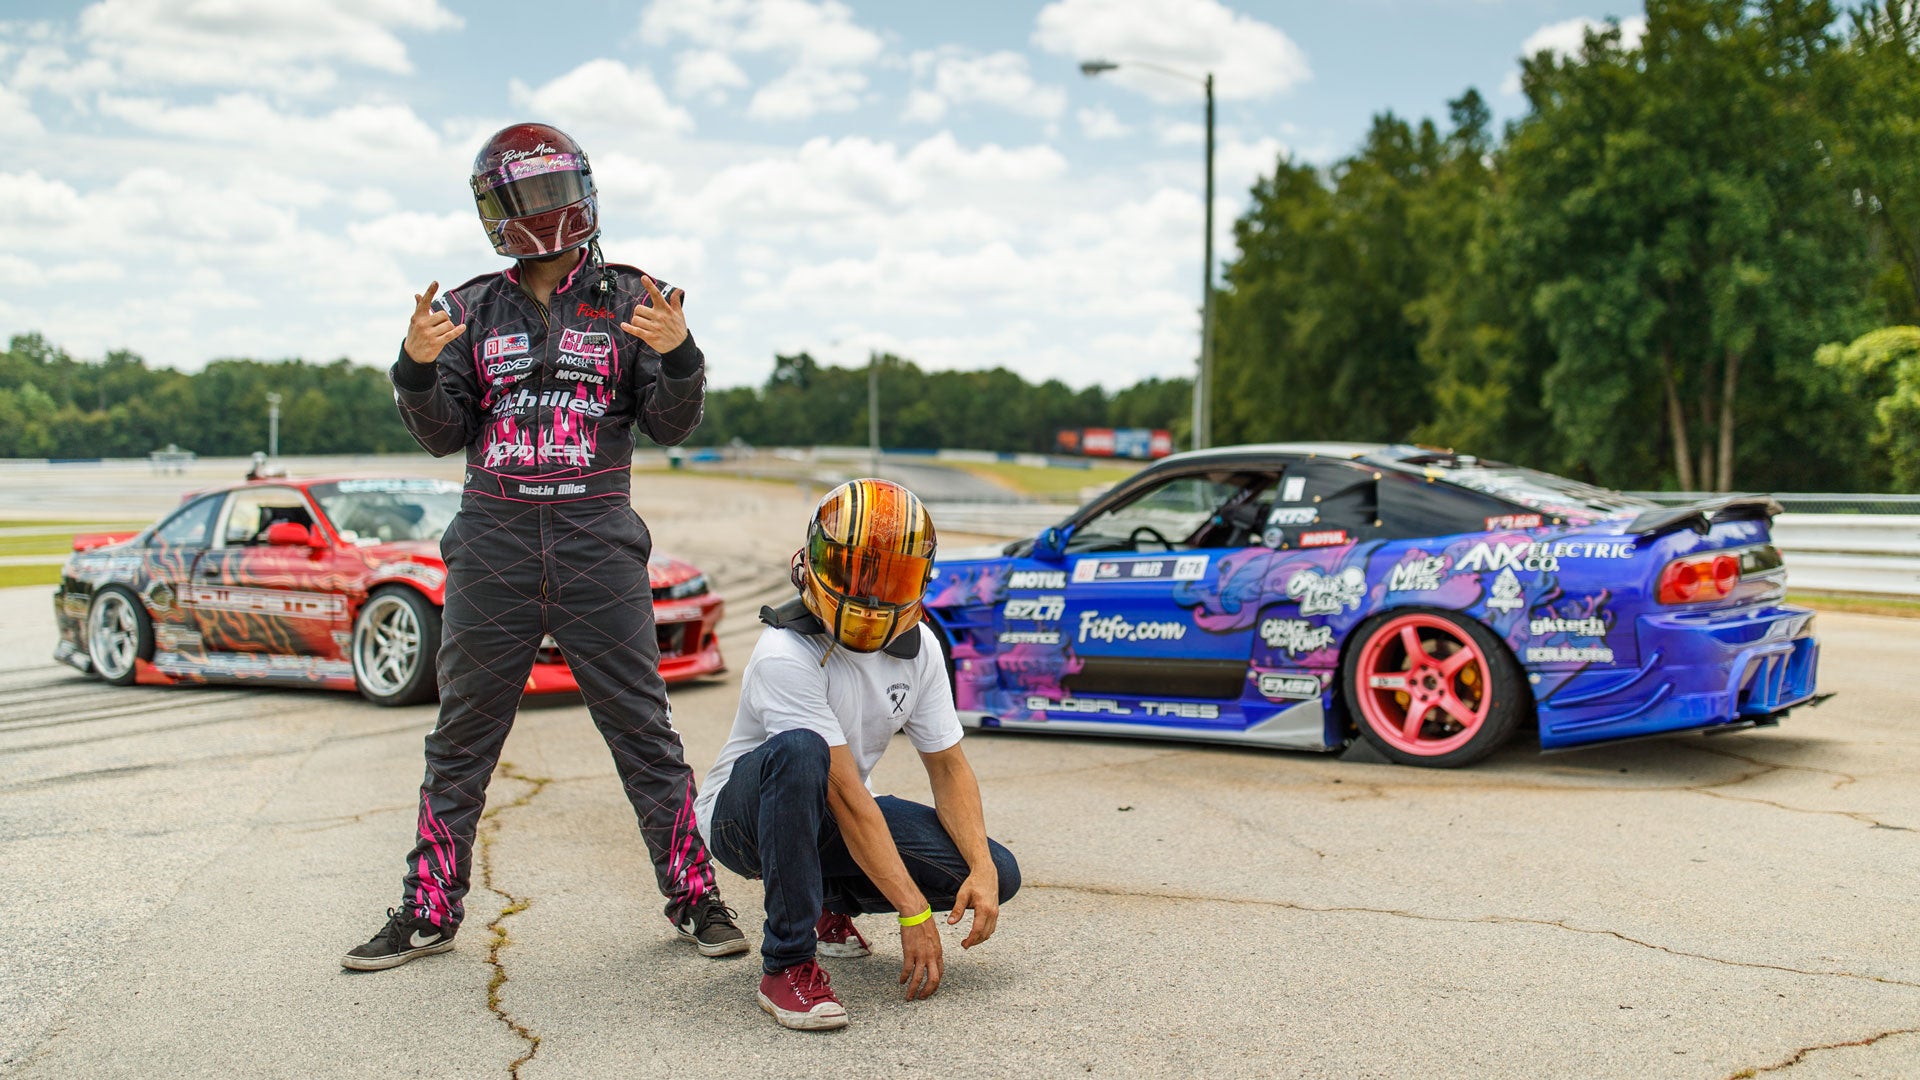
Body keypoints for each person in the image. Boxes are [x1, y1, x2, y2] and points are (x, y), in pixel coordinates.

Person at [342, 122, 743, 971]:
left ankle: (695, 896)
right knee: (461, 739)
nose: (535, 213)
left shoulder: (642, 300)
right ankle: (427, 908)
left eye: (546, 193)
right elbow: (442, 436)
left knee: (644, 731)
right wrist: (413, 370)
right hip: (492, 546)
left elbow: (672, 427)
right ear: (490, 214)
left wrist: (682, 358)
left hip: (598, 542)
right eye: (515, 200)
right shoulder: (466, 310)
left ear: (582, 193)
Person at [694, 479, 1020, 1030]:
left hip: (836, 815)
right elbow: (844, 794)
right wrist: (912, 910)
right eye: (856, 571)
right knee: (802, 752)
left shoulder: (920, 650)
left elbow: (948, 766)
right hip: (744, 823)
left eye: (892, 577)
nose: (871, 595)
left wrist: (982, 868)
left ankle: (824, 902)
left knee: (998, 874)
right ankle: (786, 965)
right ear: (817, 561)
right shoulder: (785, 652)